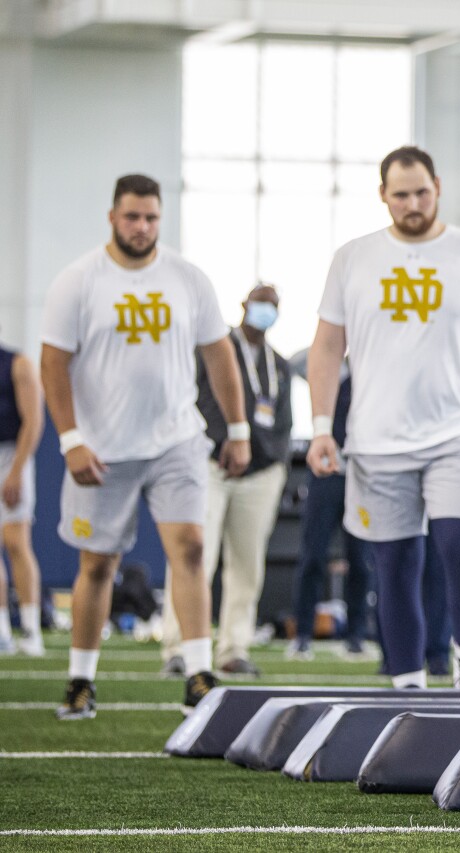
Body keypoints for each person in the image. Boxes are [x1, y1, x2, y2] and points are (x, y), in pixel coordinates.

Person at [307, 145, 460, 690]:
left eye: (422, 192)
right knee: (395, 566)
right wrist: (320, 427)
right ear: (383, 195)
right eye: (401, 194)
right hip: (376, 439)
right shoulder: (353, 257)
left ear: (438, 187)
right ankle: (407, 684)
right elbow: (325, 346)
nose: (413, 203)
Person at [42, 173, 250, 720]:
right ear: (113, 217)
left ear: (162, 218)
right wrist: (69, 440)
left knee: (191, 548)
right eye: (132, 217)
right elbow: (53, 362)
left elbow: (219, 355)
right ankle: (80, 681)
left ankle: (199, 674)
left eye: (151, 217)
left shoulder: (187, 278)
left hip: (177, 441)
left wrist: (238, 429)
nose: (142, 227)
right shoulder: (79, 280)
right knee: (97, 564)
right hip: (102, 450)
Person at [159, 284, 291, 677]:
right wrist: (223, 446)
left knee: (247, 564)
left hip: (260, 472)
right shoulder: (213, 351)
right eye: (260, 303)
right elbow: (195, 402)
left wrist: (268, 459)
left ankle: (234, 648)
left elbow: (281, 421)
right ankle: (179, 647)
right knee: (194, 553)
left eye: (273, 305)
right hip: (210, 465)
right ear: (244, 306)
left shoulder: (279, 365)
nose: (265, 310)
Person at [286, 357, 372, 663]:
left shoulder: (374, 363)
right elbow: (295, 363)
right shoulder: (331, 364)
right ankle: (302, 635)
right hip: (326, 474)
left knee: (360, 562)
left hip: (364, 475)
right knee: (312, 556)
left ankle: (356, 636)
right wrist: (329, 347)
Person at [0, 341, 46, 657]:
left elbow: (33, 420)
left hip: (11, 455)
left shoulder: (17, 363)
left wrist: (16, 470)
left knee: (16, 542)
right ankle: (2, 632)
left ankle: (31, 630)